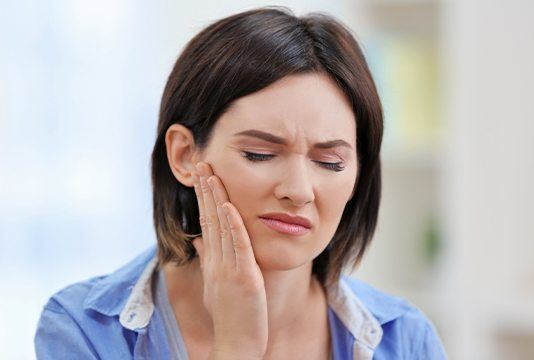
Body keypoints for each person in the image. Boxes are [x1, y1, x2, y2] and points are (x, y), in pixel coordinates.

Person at [34, 6, 447, 360]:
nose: (299, 190)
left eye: (330, 162)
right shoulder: (85, 331)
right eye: (260, 154)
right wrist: (236, 346)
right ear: (184, 155)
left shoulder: (404, 340)